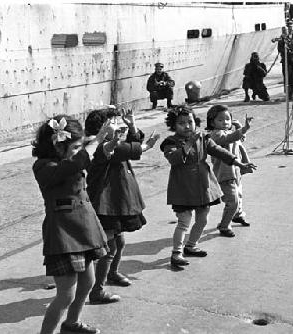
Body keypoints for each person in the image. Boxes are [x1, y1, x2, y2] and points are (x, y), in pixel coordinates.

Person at [32, 114, 111, 334]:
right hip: (63, 235)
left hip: (85, 229)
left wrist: (107, 142)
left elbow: (83, 162)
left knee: (87, 282)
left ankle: (71, 324)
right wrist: (95, 143)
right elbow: (72, 165)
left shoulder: (73, 160)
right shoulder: (44, 166)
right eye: (75, 146)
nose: (80, 151)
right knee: (65, 294)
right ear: (58, 147)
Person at [159, 105, 256, 268]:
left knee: (203, 219)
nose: (187, 126)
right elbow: (174, 159)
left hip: (204, 186)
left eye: (190, 121)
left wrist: (240, 163)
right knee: (184, 221)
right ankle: (176, 253)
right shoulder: (171, 142)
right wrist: (189, 142)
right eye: (181, 123)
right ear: (173, 126)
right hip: (183, 188)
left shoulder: (203, 137)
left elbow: (219, 151)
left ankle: (191, 245)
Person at [85, 106, 160, 304]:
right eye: (114, 123)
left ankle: (112, 273)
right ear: (102, 129)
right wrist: (148, 145)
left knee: (119, 243)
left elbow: (131, 144)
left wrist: (132, 125)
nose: (119, 126)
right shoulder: (104, 147)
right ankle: (97, 290)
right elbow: (135, 148)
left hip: (116, 202)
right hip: (105, 204)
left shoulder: (111, 144)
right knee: (110, 246)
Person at [206, 105, 254, 237]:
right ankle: (224, 225)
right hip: (224, 174)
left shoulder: (228, 132)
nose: (225, 122)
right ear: (212, 122)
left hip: (236, 171)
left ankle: (237, 215)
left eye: (228, 119)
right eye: (220, 120)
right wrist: (243, 129)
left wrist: (240, 128)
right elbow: (227, 139)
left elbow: (239, 138)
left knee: (238, 195)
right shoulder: (215, 134)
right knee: (232, 201)